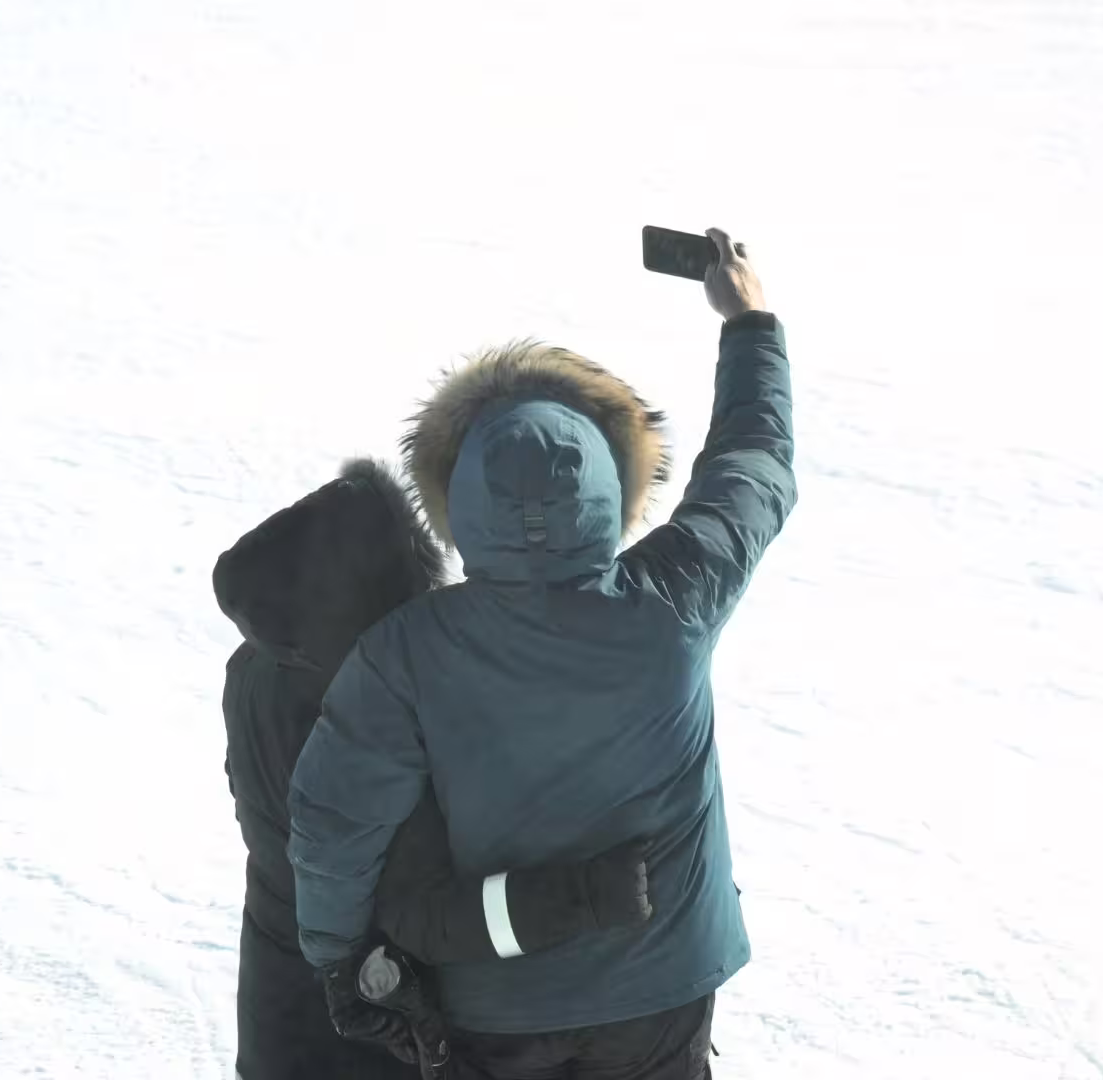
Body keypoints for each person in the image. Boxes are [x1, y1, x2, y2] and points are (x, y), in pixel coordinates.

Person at [287, 228, 793, 1079]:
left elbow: (335, 824)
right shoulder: (673, 599)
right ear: (609, 482)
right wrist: (750, 321)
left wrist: (342, 960)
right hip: (660, 992)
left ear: (458, 499)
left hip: (493, 1006)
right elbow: (754, 464)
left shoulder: (406, 653)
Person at [214, 457, 656, 1080]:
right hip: (369, 1020)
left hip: (279, 1001)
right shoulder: (368, 729)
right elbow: (427, 910)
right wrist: (587, 895)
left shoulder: (257, 667)